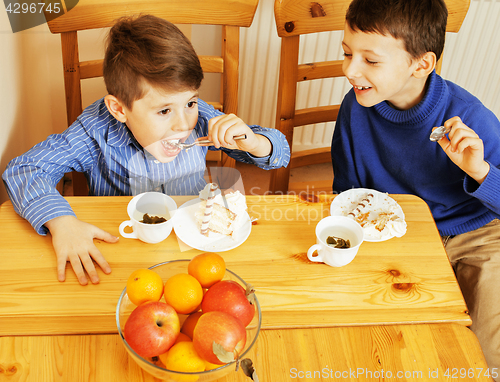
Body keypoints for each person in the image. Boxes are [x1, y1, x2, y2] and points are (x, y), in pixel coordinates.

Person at [2, 15, 290, 286]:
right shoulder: (94, 131)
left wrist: (251, 142)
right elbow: (25, 169)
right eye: (164, 110)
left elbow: (279, 152)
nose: (183, 123)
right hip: (123, 249)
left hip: (196, 241)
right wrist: (62, 223)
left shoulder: (199, 115)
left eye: (190, 102)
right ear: (119, 109)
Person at [331, 0, 500, 376]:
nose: (349, 69)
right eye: (346, 53)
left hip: (478, 232)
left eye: (370, 61)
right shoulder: (354, 109)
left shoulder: (470, 117)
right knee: (384, 343)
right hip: (402, 233)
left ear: (421, 64)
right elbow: (346, 188)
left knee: (488, 351)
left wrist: (481, 171)